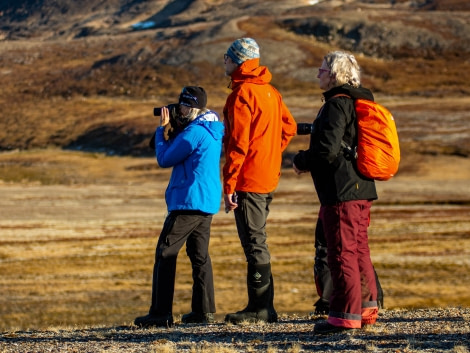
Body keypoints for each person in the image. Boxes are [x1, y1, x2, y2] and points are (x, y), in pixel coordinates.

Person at [293, 51, 379, 334]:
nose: (317, 74)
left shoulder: (335, 105)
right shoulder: (358, 101)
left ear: (333, 74)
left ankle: (344, 316)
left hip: (341, 191)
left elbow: (327, 151)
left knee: (341, 252)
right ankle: (366, 308)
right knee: (359, 250)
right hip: (361, 187)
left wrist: (301, 161)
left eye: (321, 70)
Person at [134, 86, 224, 328]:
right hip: (205, 201)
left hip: (188, 201)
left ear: (193, 108)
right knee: (199, 256)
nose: (179, 110)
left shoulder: (193, 133)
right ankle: (203, 311)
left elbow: (164, 158)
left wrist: (162, 129)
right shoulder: (211, 129)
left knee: (165, 252)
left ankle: (160, 313)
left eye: (183, 106)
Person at [222, 38, 297, 324]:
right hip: (267, 177)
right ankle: (262, 306)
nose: (224, 61)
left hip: (249, 180)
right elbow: (289, 126)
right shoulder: (270, 91)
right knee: (258, 239)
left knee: (254, 242)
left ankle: (261, 308)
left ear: (240, 61)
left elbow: (238, 145)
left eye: (227, 57)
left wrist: (229, 186)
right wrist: (270, 151)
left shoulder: (242, 94)